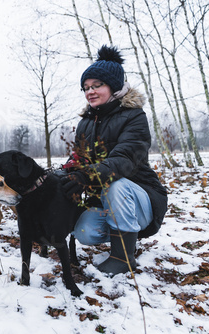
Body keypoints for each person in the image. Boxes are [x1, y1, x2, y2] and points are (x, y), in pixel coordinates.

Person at [61, 45, 168, 275]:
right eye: (86, 87)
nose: (90, 91)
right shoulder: (86, 122)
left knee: (115, 184)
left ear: (114, 86)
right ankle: (126, 235)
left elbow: (123, 160)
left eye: (97, 85)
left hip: (141, 197)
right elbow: (78, 158)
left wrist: (85, 176)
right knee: (84, 233)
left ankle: (123, 257)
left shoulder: (134, 117)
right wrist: (66, 173)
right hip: (108, 200)